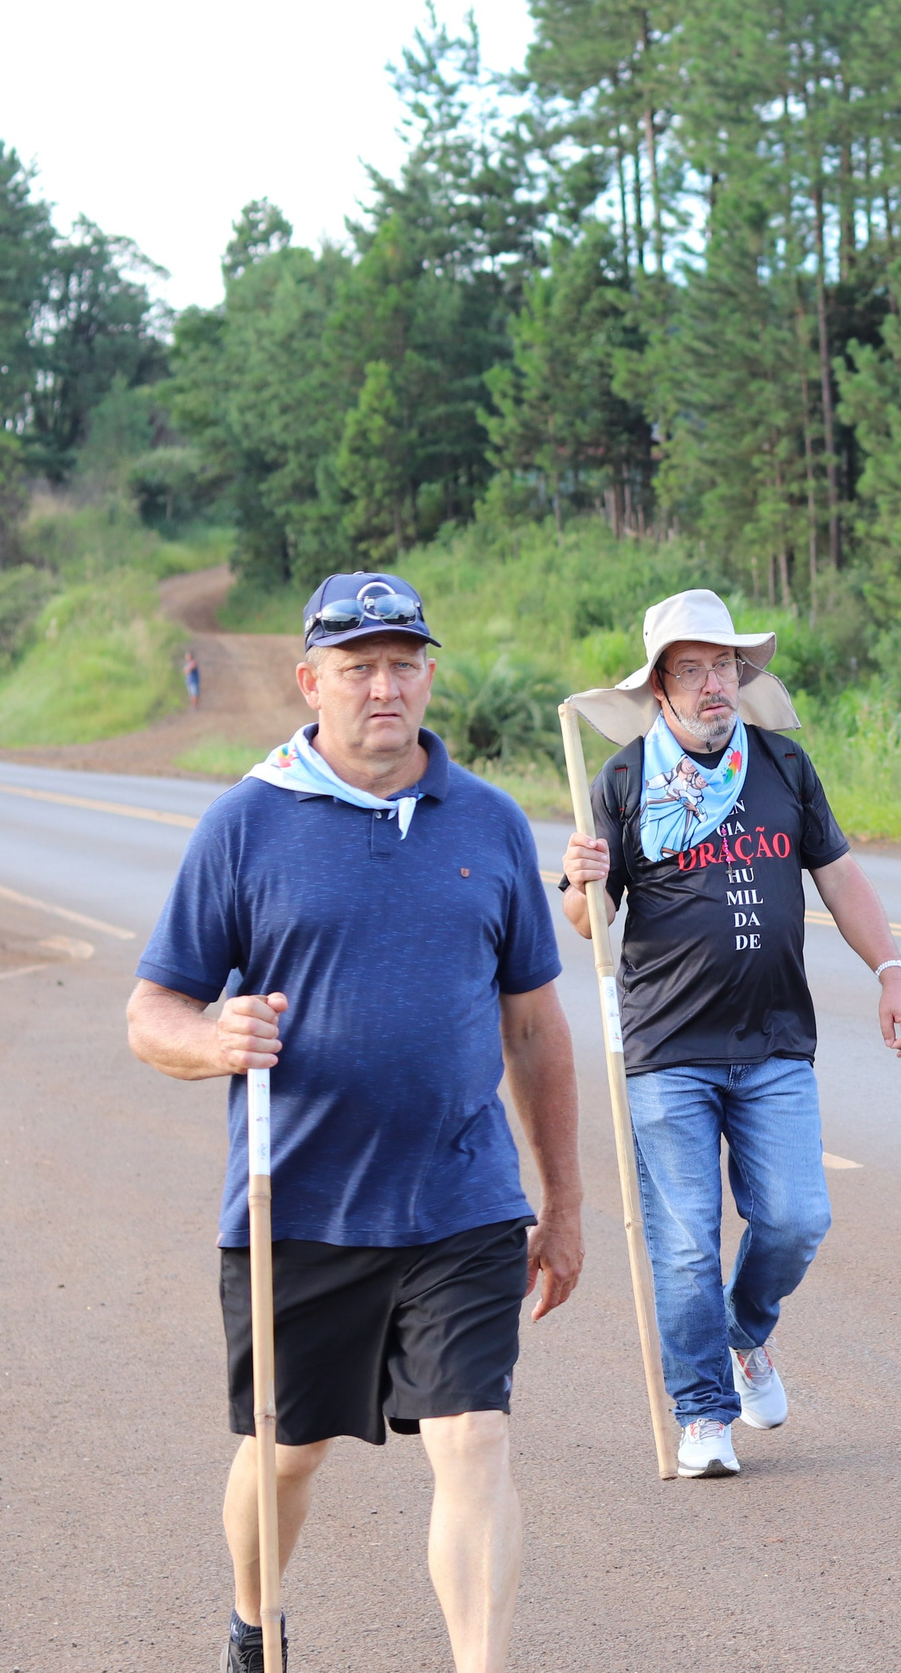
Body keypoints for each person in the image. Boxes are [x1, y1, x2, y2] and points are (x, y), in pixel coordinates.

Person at [125, 572, 582, 1673]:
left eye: (403, 661)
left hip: (459, 1198)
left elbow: (533, 1029)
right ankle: (255, 1622)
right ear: (311, 682)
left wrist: (562, 1205)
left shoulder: (487, 821)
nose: (385, 685)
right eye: (358, 665)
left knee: (474, 1440)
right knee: (286, 1455)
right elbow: (153, 1010)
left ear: (429, 674)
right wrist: (212, 1041)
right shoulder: (246, 823)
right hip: (302, 1202)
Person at [559, 588, 901, 1481]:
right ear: (660, 688)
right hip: (666, 1049)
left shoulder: (782, 765)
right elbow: (589, 923)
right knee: (684, 1240)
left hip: (773, 1043)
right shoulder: (619, 783)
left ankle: (742, 1333)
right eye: (693, 669)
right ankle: (701, 1412)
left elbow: (838, 879)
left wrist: (892, 972)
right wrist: (580, 882)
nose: (715, 682)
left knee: (798, 1217)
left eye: (724, 665)